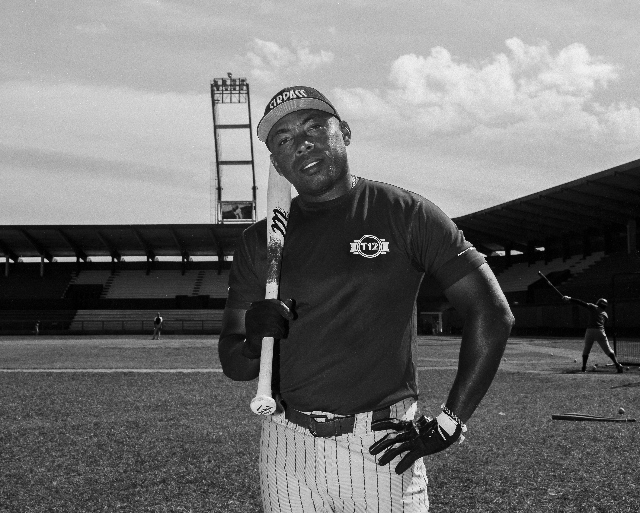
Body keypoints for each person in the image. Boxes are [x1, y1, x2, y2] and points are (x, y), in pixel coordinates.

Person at [218, 85, 514, 512]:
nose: (301, 143)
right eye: (282, 140)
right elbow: (234, 365)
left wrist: (450, 422)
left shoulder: (407, 213)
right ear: (275, 163)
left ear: (346, 133)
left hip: (381, 447)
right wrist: (252, 341)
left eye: (315, 127)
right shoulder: (257, 242)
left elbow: (492, 312)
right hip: (285, 445)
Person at [562, 295, 623, 373]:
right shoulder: (605, 314)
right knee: (608, 350)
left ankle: (584, 367)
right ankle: (617, 365)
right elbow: (604, 323)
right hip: (600, 331)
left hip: (590, 330)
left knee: (586, 349)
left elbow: (581, 303)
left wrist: (570, 299)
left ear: (598, 303)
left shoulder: (593, 307)